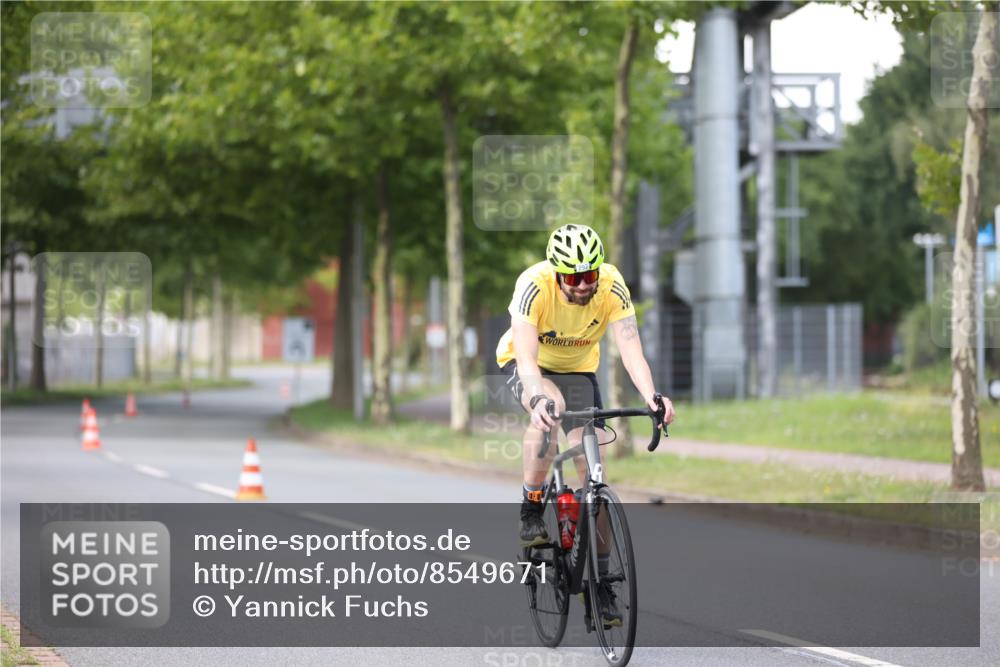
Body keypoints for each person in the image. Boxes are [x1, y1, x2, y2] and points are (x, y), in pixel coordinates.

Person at [495, 223, 675, 625]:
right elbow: (526, 358)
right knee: (551, 409)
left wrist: (652, 396)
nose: (583, 285)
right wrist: (537, 397)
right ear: (557, 273)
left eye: (589, 275)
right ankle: (531, 505)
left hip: (578, 372)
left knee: (595, 475)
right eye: (573, 278)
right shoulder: (533, 285)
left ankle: (603, 583)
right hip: (529, 367)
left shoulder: (611, 286)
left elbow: (630, 349)